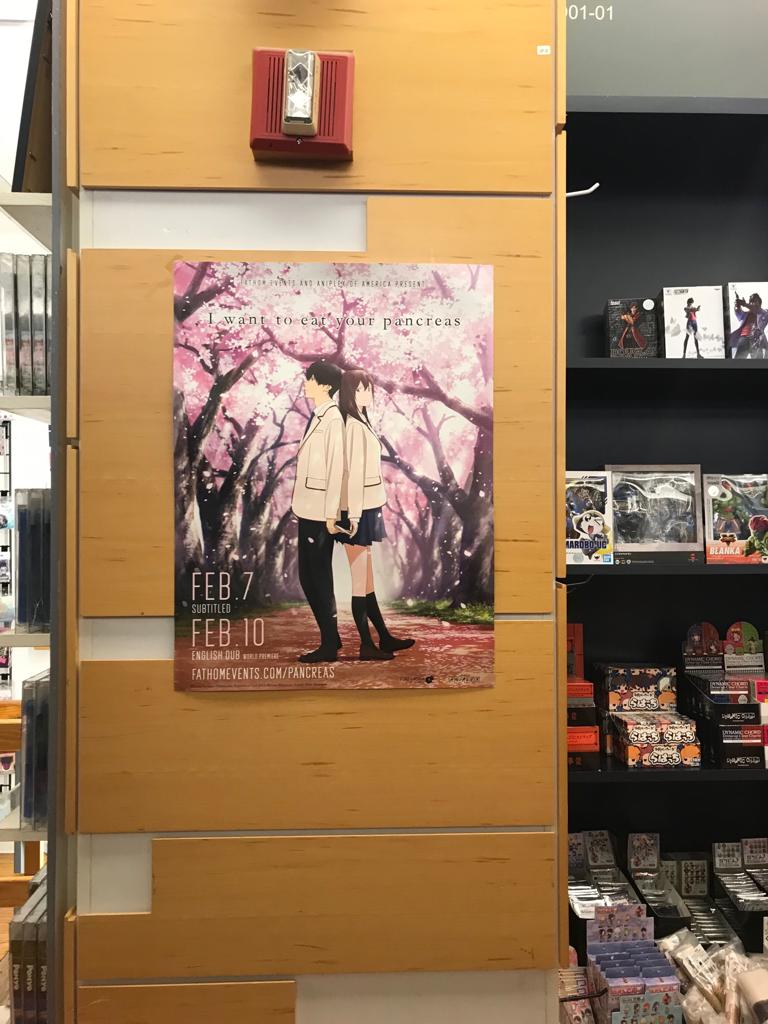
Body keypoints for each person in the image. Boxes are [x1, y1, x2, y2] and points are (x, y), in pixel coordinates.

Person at [336, 368, 415, 661]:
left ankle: (383, 637)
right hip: (355, 511)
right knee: (360, 583)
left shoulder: (361, 421)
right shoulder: (353, 426)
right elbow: (353, 474)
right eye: (360, 389)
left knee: (366, 582)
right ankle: (366, 645)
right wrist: (354, 516)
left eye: (368, 388)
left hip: (365, 507)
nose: (366, 394)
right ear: (348, 392)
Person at [290, 360, 345, 663]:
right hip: (308, 507)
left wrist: (331, 514)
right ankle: (330, 636)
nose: (306, 383)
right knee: (308, 576)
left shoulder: (333, 419)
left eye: (310, 379)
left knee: (319, 577)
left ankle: (328, 645)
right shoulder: (319, 415)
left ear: (324, 385)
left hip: (322, 511)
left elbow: (337, 469)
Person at [729, 292, 768, 358]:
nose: (752, 303)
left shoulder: (764, 312)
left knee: (758, 362)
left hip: (757, 340)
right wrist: (737, 305)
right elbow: (737, 311)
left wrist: (744, 304)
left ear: (760, 303)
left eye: (755, 301)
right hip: (744, 339)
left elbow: (756, 309)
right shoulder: (745, 314)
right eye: (751, 302)